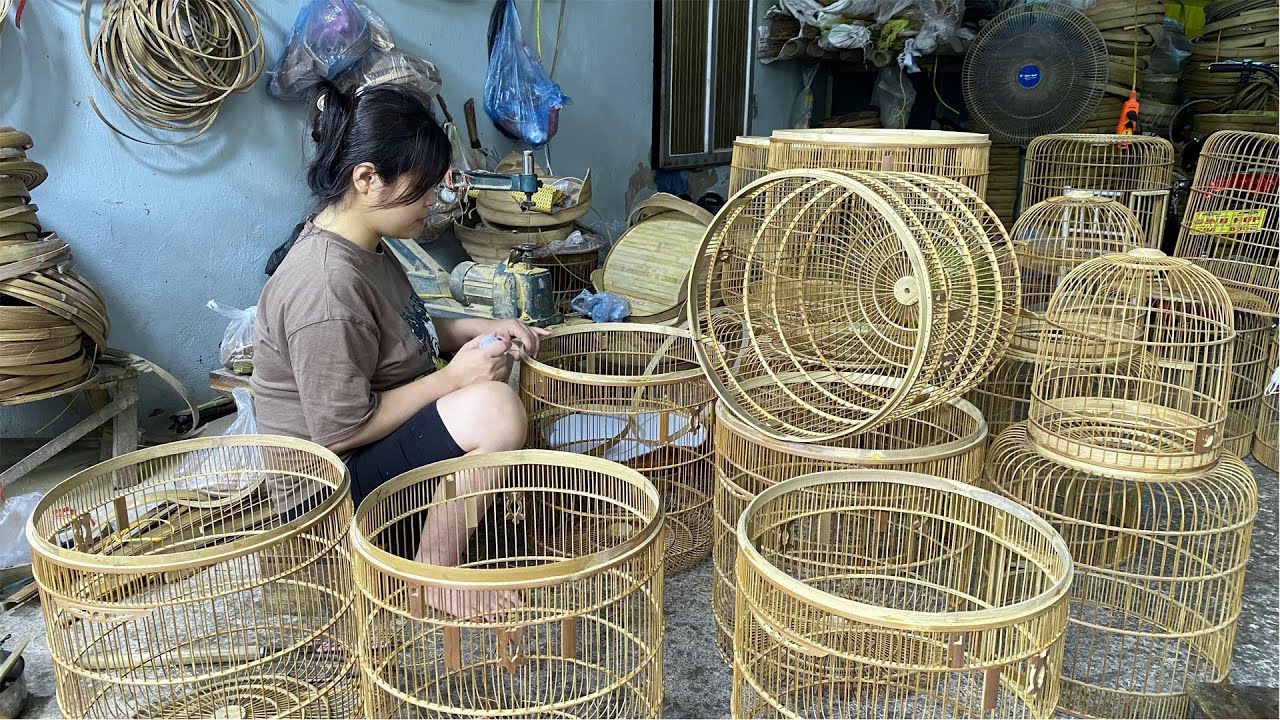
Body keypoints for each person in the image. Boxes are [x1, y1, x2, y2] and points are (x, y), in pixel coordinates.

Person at [252, 81, 546, 617]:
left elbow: (402, 327)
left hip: (367, 463)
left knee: (491, 375)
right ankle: (434, 576)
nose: (434, 202)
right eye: (425, 188)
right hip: (327, 502)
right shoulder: (325, 285)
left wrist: (480, 324)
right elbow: (342, 430)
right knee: (492, 407)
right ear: (367, 178)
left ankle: (449, 524)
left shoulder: (366, 246)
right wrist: (454, 379)